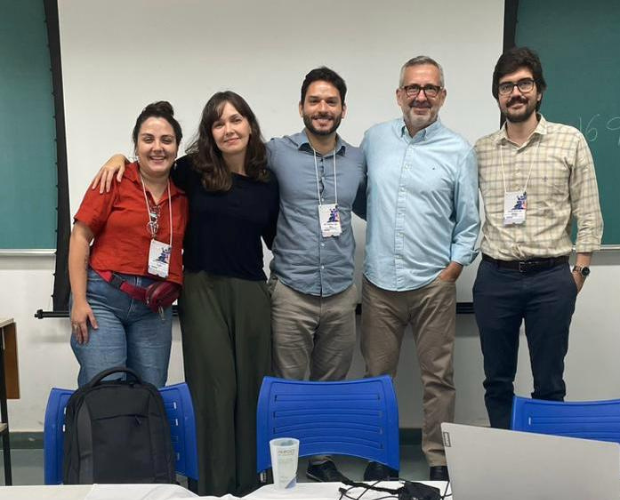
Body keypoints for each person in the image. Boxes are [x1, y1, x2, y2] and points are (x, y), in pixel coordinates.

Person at [93, 92, 279, 496]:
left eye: (236, 119)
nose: (228, 129)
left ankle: (251, 485)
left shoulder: (267, 179)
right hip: (202, 290)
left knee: (252, 389)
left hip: (250, 293)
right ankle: (212, 486)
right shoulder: (191, 170)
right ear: (209, 133)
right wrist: (115, 159)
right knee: (214, 389)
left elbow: (278, 239)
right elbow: (146, 167)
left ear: (250, 124)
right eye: (218, 123)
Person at [356, 56, 479, 481]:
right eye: (413, 88)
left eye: (430, 88)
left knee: (438, 380)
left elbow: (469, 221)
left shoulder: (459, 150)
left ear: (442, 95)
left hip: (433, 285)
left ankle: (439, 460)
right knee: (376, 379)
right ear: (399, 94)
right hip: (379, 286)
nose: (421, 96)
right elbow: (361, 198)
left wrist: (452, 270)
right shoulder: (373, 140)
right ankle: (381, 454)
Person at [474, 47, 603, 429]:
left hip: (551, 278)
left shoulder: (569, 140)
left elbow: (590, 212)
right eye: (506, 86)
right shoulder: (481, 150)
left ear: (539, 90)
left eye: (524, 84)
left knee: (549, 382)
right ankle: (504, 452)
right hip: (495, 277)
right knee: (497, 380)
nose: (515, 93)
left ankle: (545, 458)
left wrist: (579, 272)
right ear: (498, 95)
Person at [266, 67, 365, 483]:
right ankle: (284, 464)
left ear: (343, 108)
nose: (322, 109)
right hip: (291, 287)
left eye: (331, 102)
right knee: (289, 385)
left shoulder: (359, 159)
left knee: (331, 383)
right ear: (302, 106)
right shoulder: (275, 151)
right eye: (315, 101)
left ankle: (321, 460)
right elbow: (219, 159)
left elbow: (379, 207)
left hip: (341, 289)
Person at [69, 101, 187, 388]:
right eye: (148, 139)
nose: (157, 147)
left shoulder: (185, 191)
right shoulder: (115, 179)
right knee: (107, 389)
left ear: (177, 147)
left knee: (150, 390)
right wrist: (79, 301)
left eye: (166, 140)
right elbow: (80, 237)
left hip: (153, 306)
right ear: (136, 145)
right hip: (102, 299)